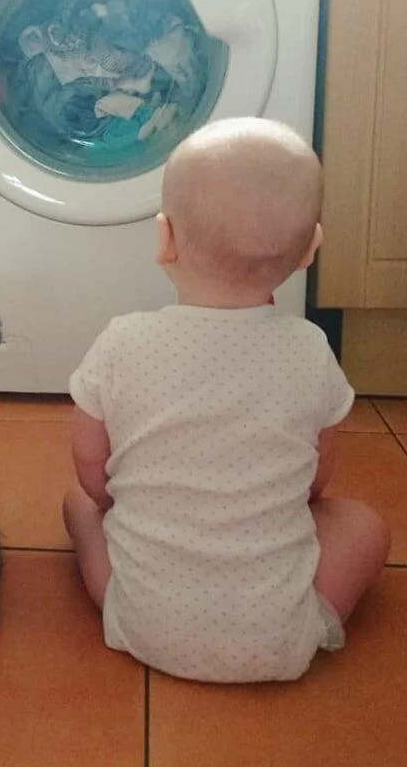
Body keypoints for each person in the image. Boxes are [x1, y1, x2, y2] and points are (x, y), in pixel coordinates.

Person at [63, 117, 390, 682]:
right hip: (279, 638)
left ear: (164, 239)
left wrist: (113, 503)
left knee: (78, 504)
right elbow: (317, 477)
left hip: (141, 621)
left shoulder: (123, 341)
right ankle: (317, 623)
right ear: (310, 250)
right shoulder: (310, 349)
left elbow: (91, 465)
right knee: (365, 526)